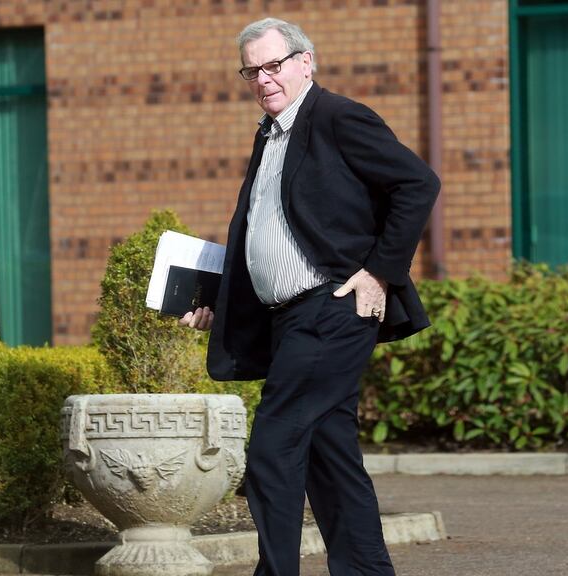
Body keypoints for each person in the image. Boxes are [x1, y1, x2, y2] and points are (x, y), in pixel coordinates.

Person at [179, 17, 440, 576]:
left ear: (306, 61)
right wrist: (219, 302)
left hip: (333, 309)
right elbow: (274, 234)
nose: (263, 79)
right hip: (290, 319)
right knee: (330, 458)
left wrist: (379, 273)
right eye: (252, 70)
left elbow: (417, 183)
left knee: (273, 451)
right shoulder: (270, 134)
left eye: (273, 65)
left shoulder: (338, 116)